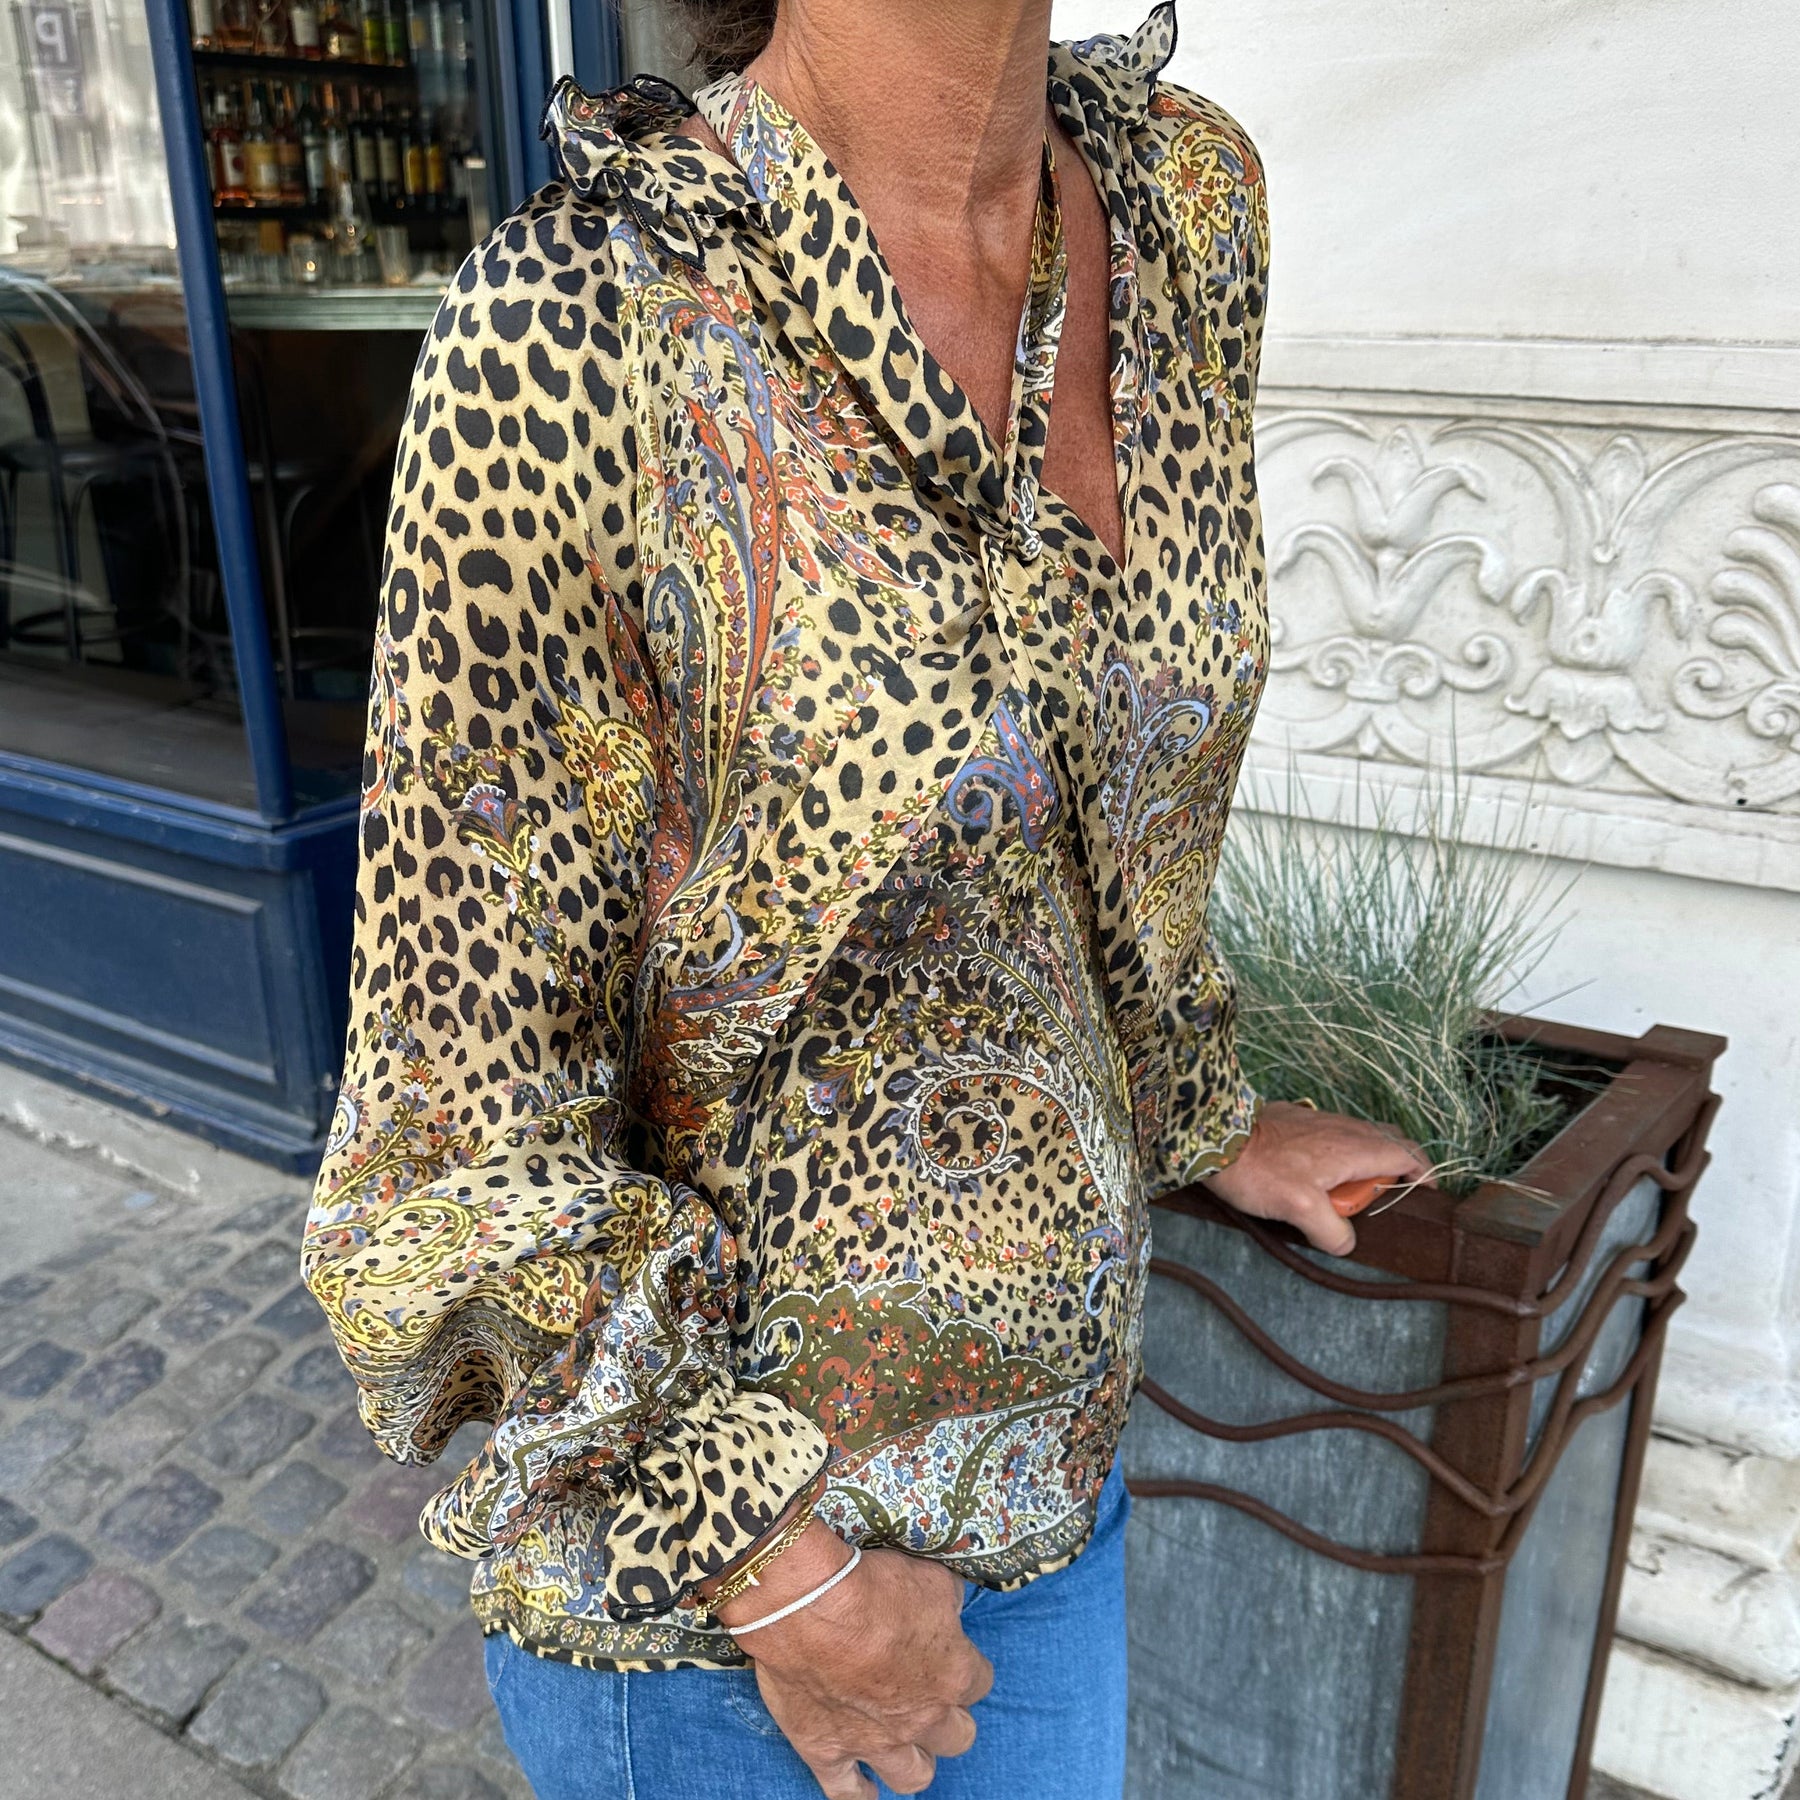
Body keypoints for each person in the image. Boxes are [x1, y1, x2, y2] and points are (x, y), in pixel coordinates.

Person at [301, 1, 1427, 1795]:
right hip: (736, 1602)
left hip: (1055, 1489)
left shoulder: (1181, 205)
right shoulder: (584, 312)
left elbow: (1104, 793)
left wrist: (1189, 1099)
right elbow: (452, 1116)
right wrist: (774, 1568)